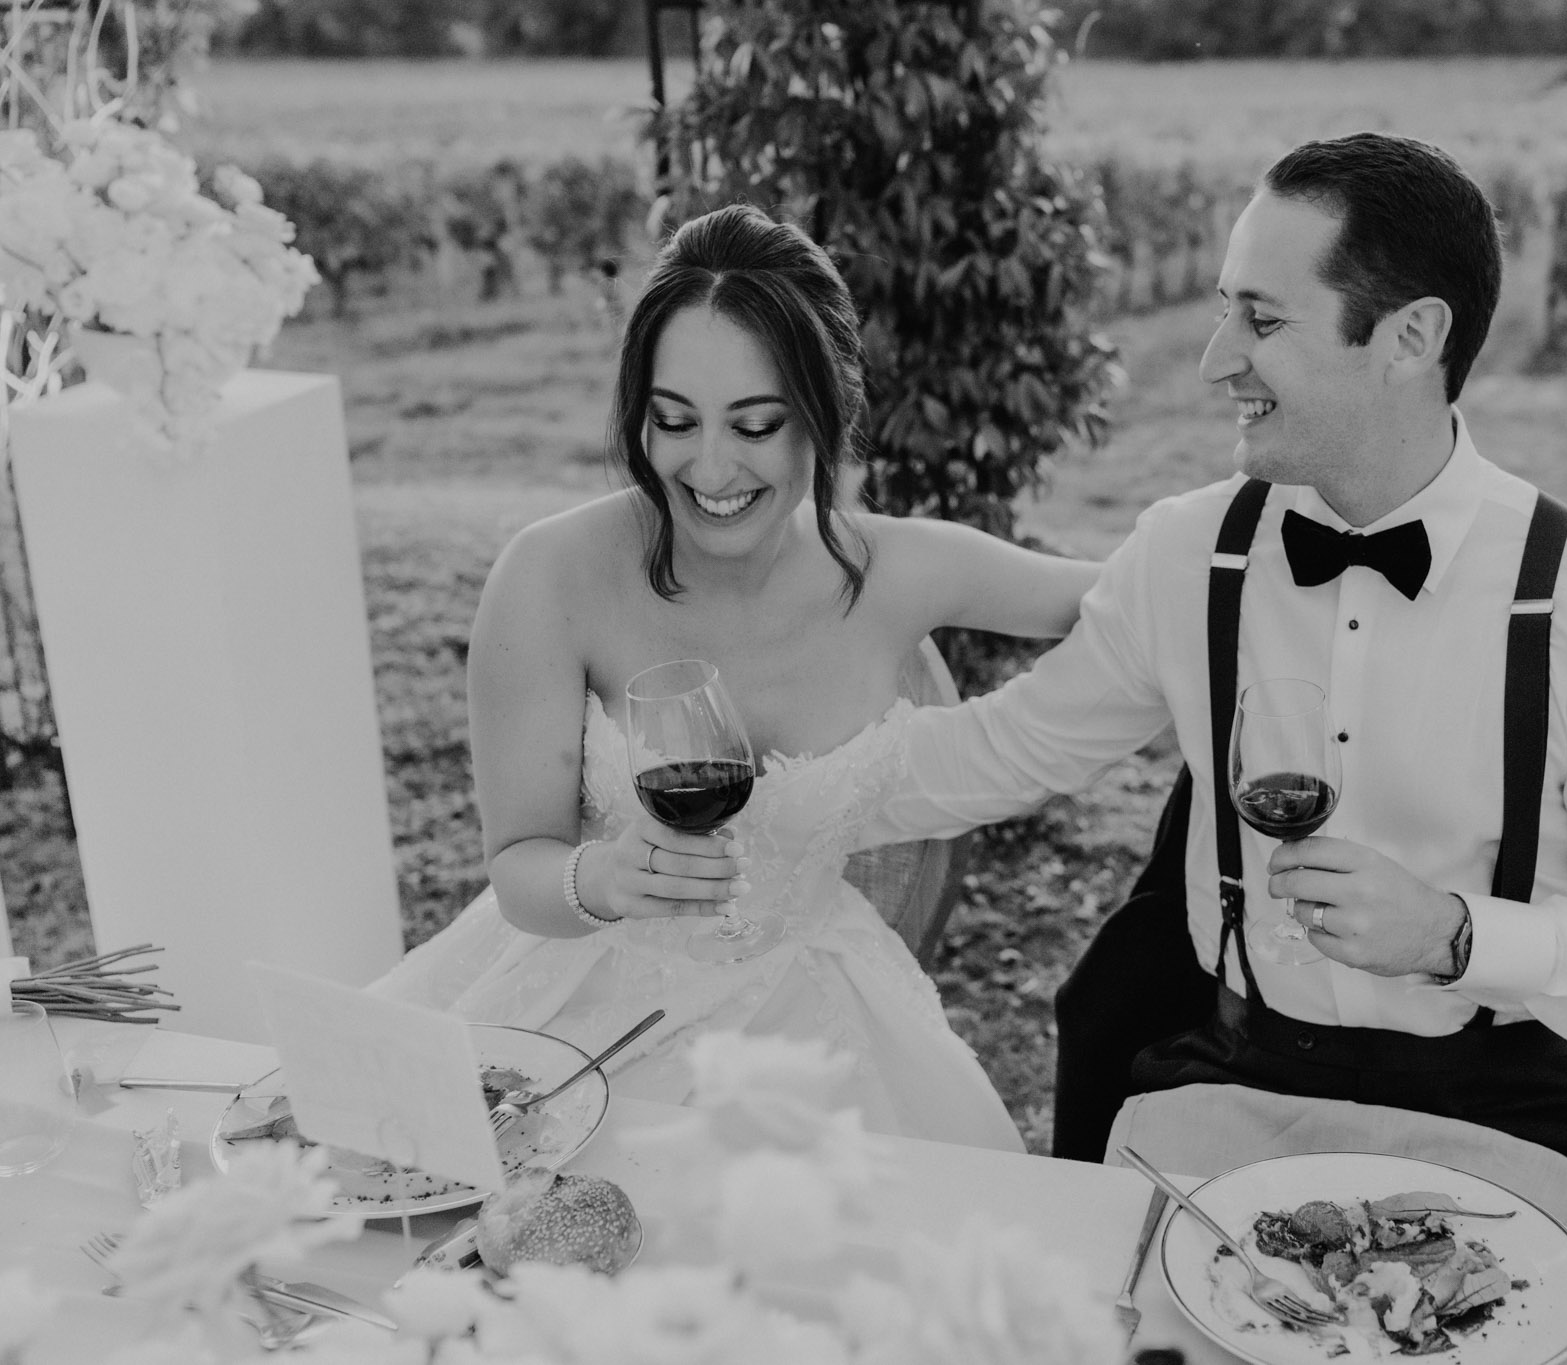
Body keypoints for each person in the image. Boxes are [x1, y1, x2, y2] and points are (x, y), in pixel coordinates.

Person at [845, 131, 1567, 1224]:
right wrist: (772, 793)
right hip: (1230, 1088)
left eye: (1261, 320)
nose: (1213, 357)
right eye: (1226, 307)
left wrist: (1457, 936)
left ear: (1410, 337)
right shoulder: (1186, 557)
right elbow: (998, 752)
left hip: (1501, 1116)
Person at [371, 203, 1098, 1152]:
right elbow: (520, 867)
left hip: (817, 1024)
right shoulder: (551, 575)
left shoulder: (900, 570)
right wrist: (601, 877)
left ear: (824, 414)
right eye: (673, 421)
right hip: (582, 1007)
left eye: (756, 425)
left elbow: (1133, 598)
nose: (708, 468)